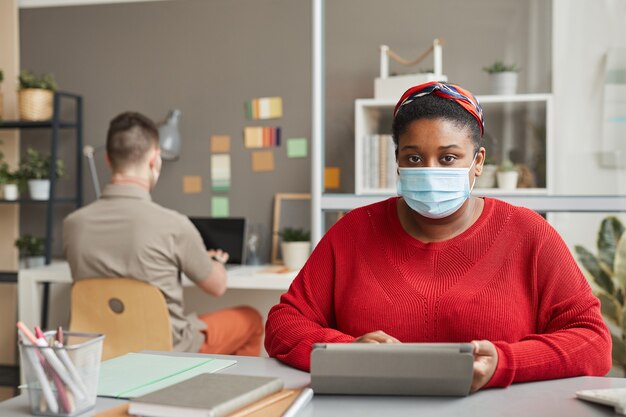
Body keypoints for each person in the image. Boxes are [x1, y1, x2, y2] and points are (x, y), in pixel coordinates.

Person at [265, 82, 612, 390]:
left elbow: (593, 342)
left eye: (448, 158)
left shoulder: (529, 234)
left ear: (478, 162)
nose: (429, 171)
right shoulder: (353, 231)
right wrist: (346, 351)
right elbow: (283, 325)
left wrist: (505, 362)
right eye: (414, 157)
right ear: (397, 161)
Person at [64, 111, 263, 356]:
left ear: (107, 160)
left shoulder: (73, 225)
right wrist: (214, 263)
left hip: (101, 350)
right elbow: (217, 287)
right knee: (251, 318)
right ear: (154, 160)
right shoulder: (174, 225)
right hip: (167, 351)